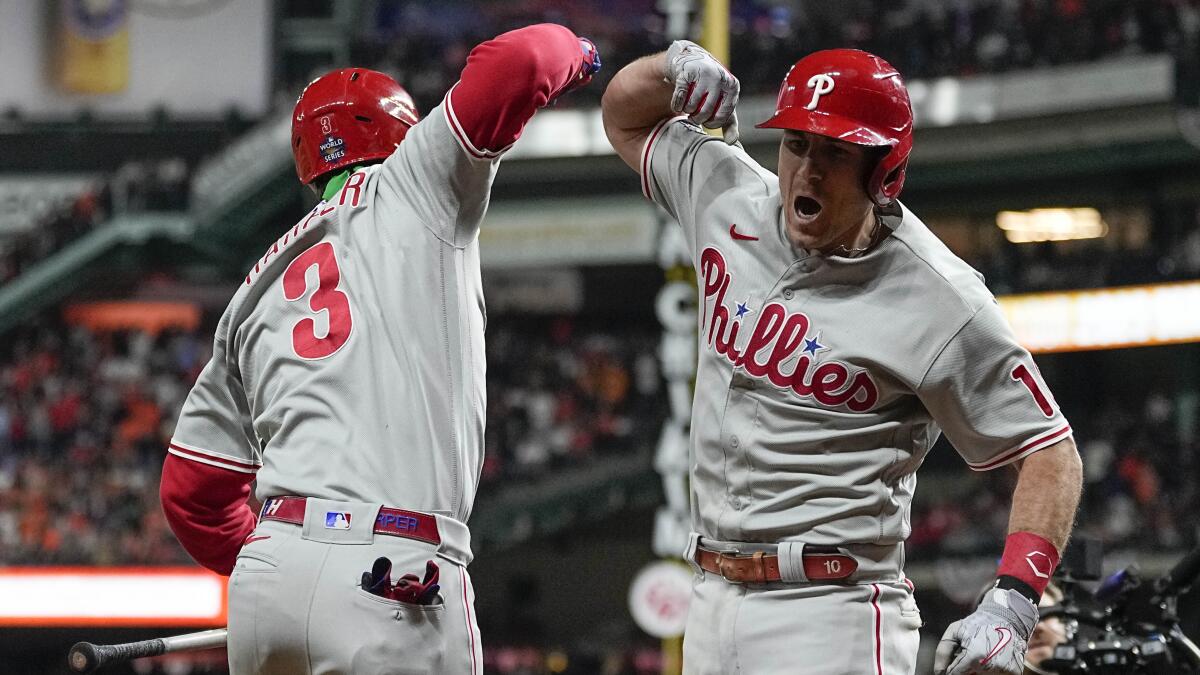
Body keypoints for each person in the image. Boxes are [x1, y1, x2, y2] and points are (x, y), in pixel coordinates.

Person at [601, 42, 1083, 674]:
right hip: (710, 596)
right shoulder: (728, 194)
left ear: (883, 170)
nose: (807, 171)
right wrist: (672, 67)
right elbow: (624, 114)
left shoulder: (942, 297)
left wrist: (1014, 600)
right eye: (797, 144)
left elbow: (1049, 450)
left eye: (835, 151)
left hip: (832, 609)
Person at [158, 25, 600, 675]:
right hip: (392, 568)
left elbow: (190, 492)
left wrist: (292, 564)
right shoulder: (414, 182)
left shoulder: (252, 292)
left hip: (268, 578)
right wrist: (586, 53)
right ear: (401, 134)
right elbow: (525, 58)